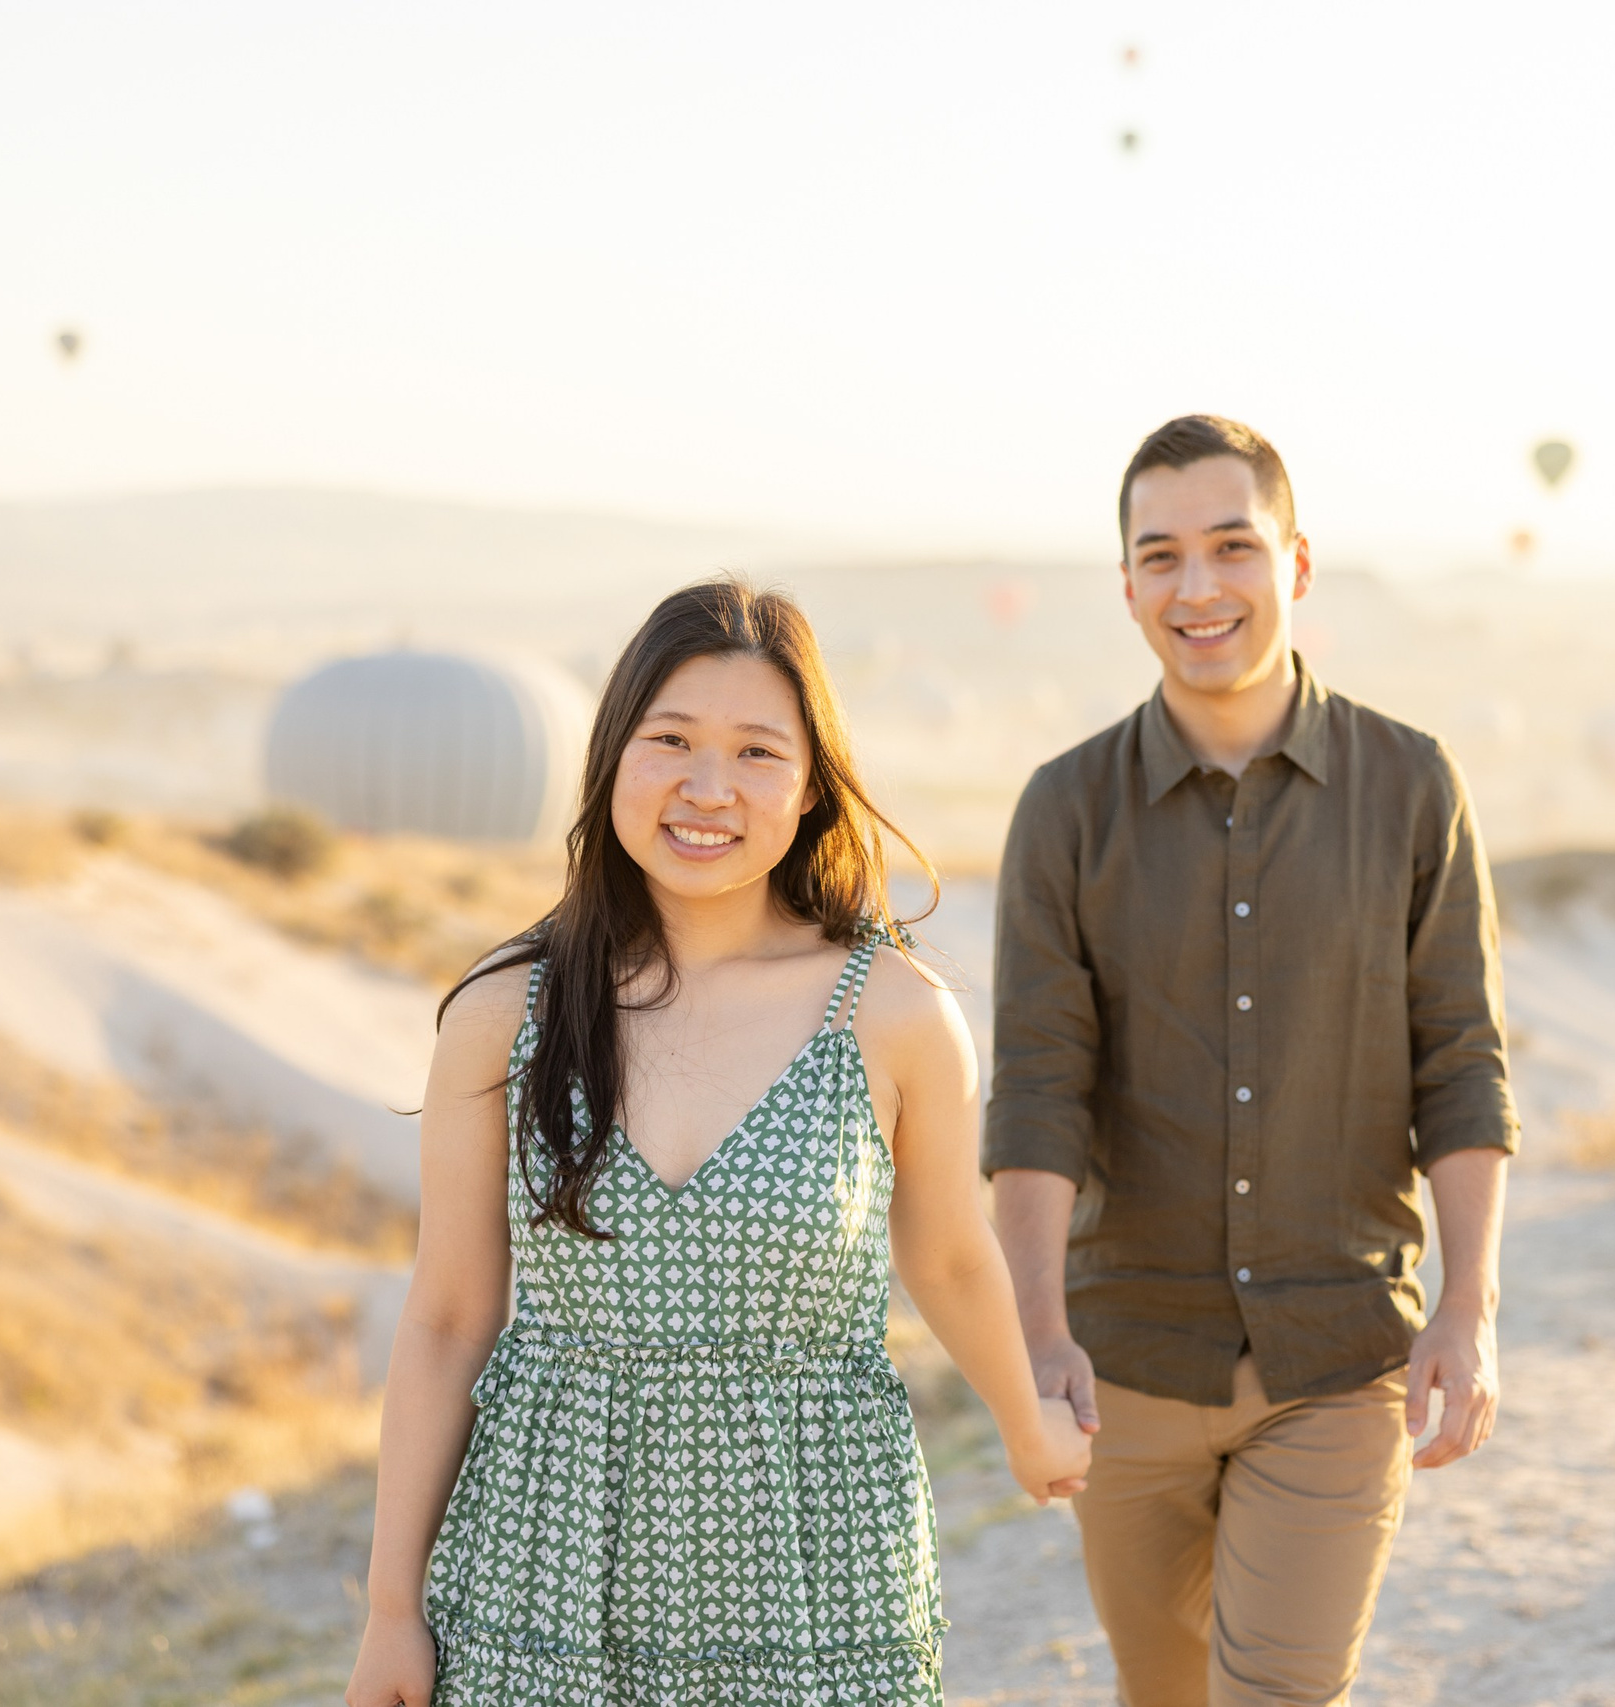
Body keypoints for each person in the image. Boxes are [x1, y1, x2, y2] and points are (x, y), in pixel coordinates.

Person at [346, 579, 1091, 1707]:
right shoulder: (508, 1012)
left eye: (756, 753)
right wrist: (391, 1611)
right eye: (672, 740)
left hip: (815, 1575)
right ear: (610, 762)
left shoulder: (893, 1014)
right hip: (538, 1576)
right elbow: (450, 1317)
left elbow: (945, 1256)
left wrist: (1027, 1426)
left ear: (810, 791)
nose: (708, 789)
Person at [986, 416, 1518, 1706]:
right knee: (1161, 1691)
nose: (1198, 587)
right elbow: (1038, 1091)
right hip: (1127, 1369)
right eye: (1159, 557)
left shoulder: (1410, 786)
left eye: (1232, 547)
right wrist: (1038, 1332)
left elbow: (1459, 1057)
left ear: (1296, 562)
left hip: (1336, 1358)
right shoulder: (1066, 808)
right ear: (1126, 588)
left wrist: (1470, 1303)